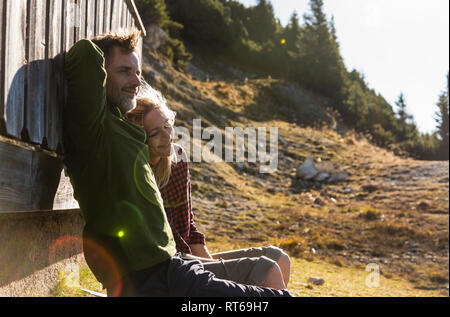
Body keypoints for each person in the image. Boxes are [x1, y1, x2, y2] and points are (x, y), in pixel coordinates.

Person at [63, 28, 292, 297]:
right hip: (150, 277)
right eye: (125, 71)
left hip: (171, 267)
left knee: (268, 276)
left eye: (138, 72)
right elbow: (85, 53)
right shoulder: (93, 129)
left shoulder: (119, 126)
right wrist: (114, 45)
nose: (136, 81)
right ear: (101, 76)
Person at [125, 95, 291, 290]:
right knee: (267, 269)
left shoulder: (177, 158)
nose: (167, 136)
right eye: (155, 133)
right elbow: (160, 251)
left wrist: (212, 266)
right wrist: (213, 272)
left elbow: (188, 228)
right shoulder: (136, 174)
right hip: (171, 267)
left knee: (280, 258)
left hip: (189, 258)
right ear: (140, 137)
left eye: (167, 126)